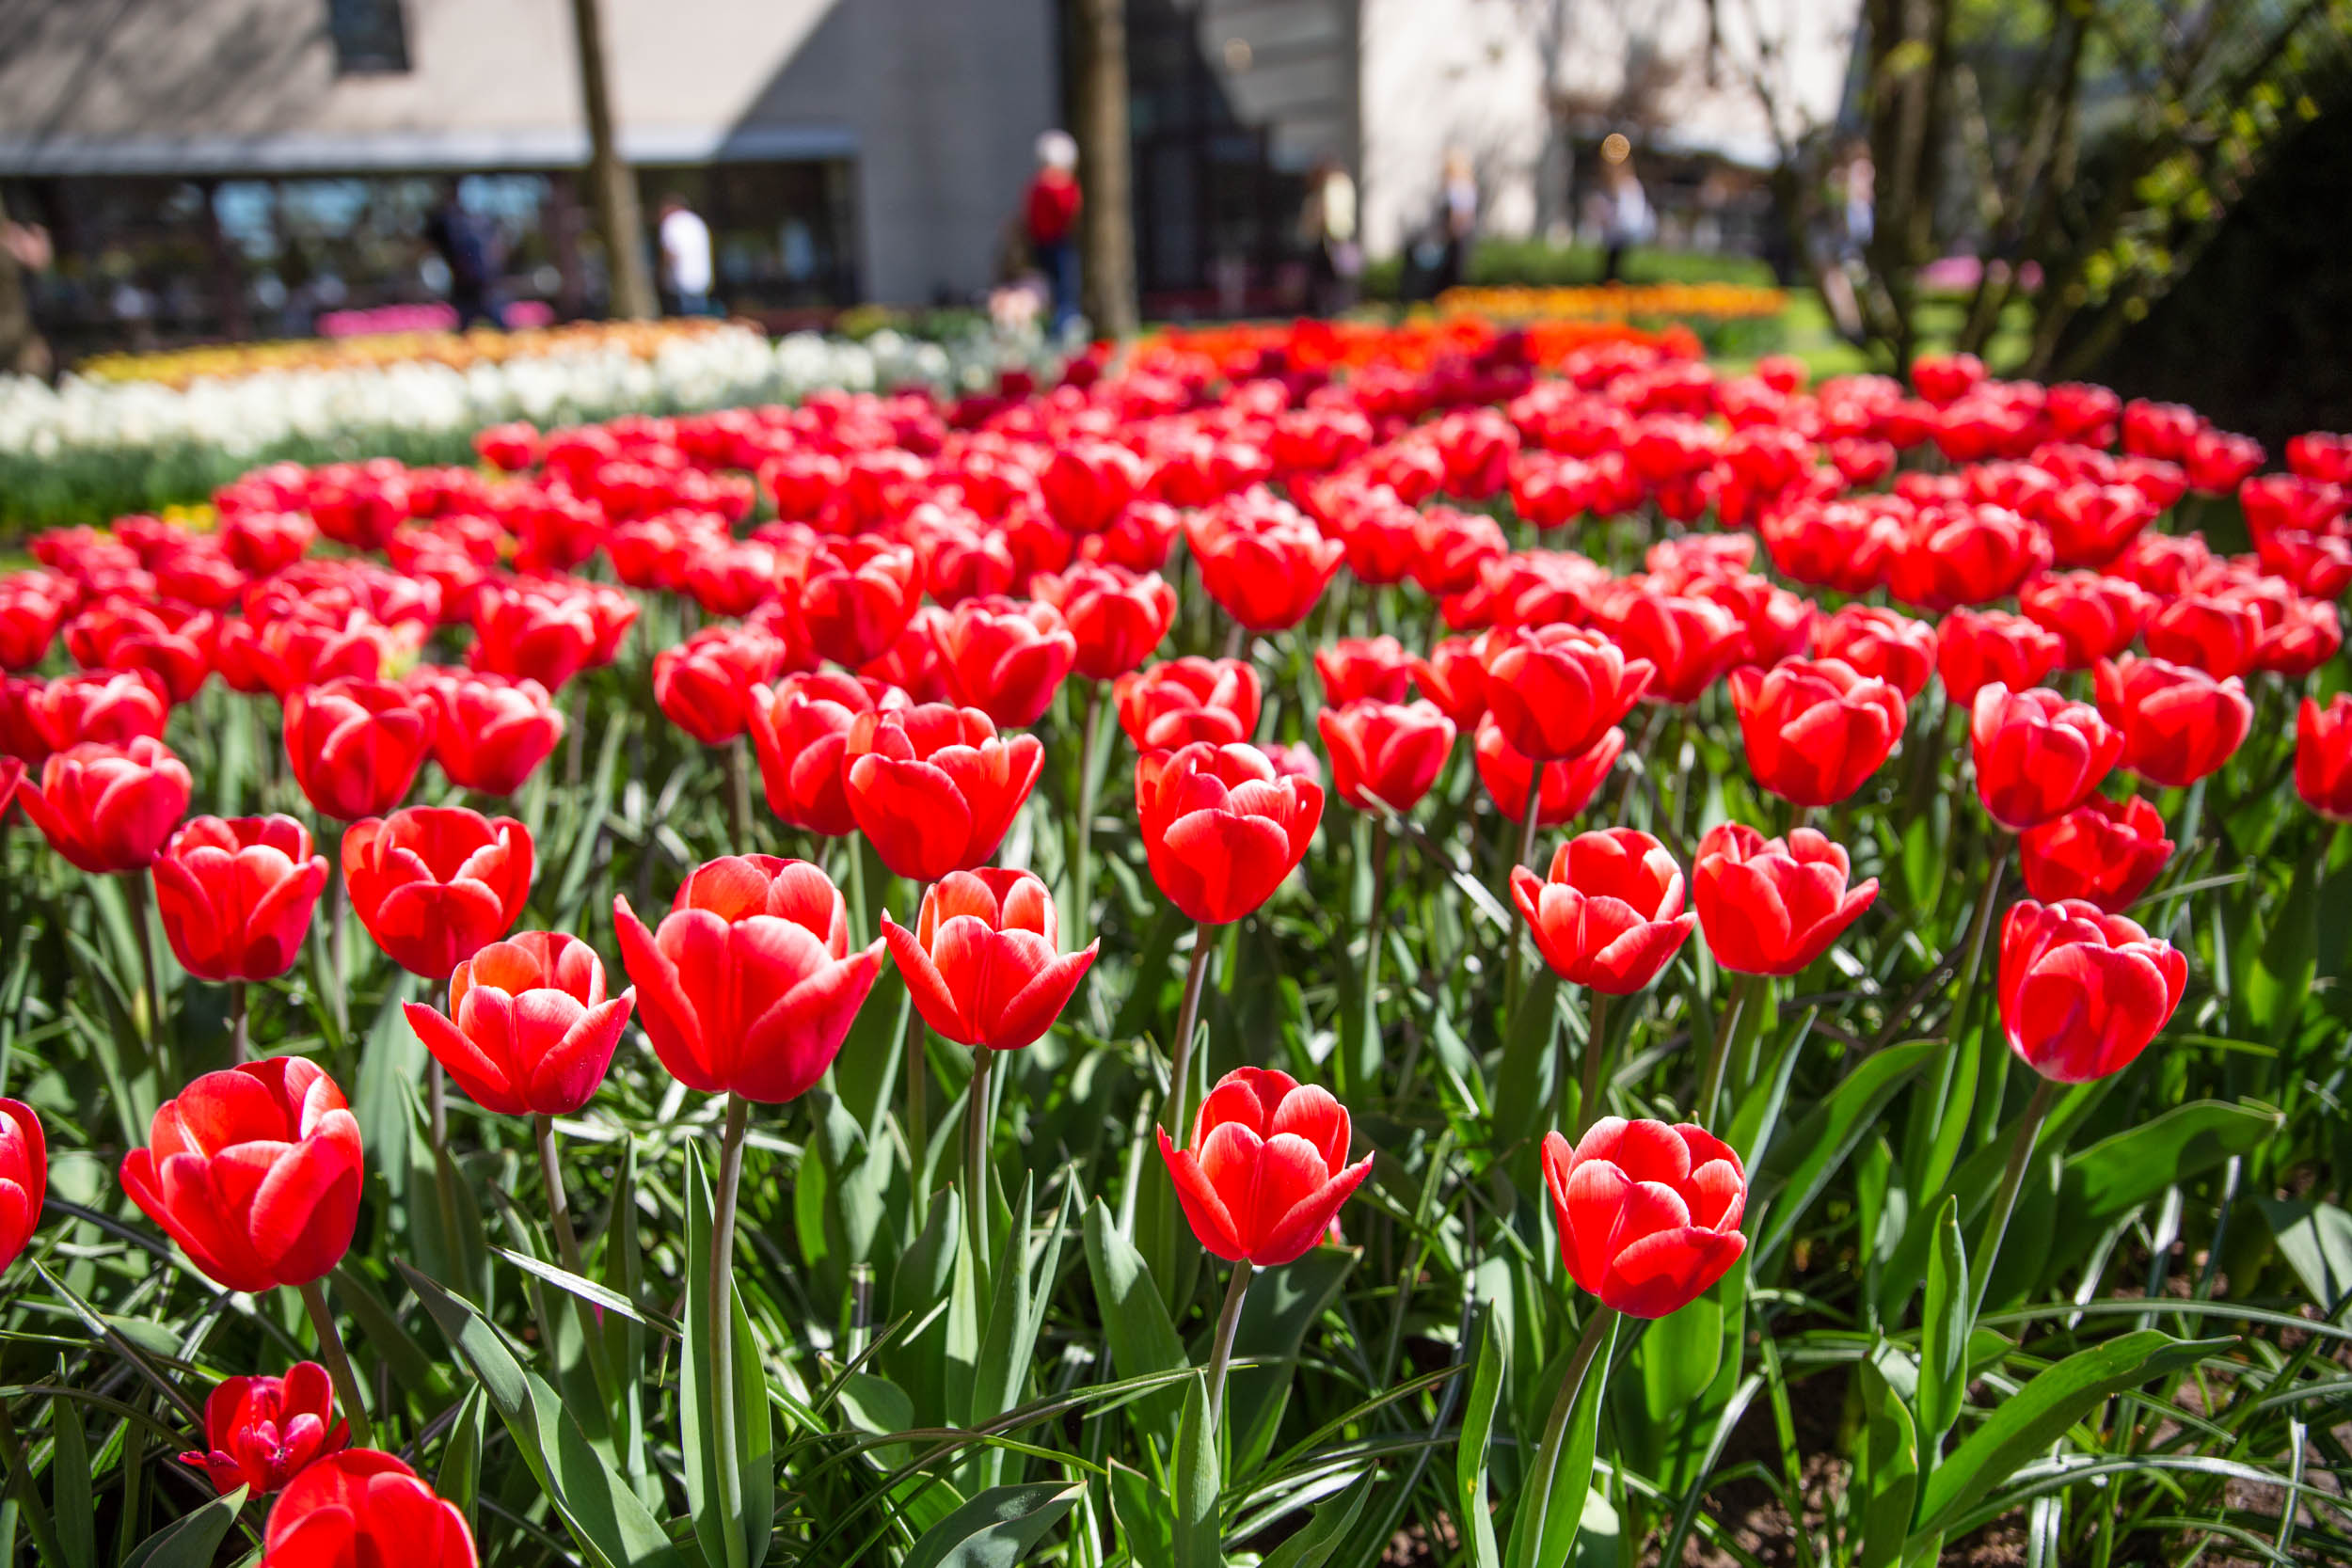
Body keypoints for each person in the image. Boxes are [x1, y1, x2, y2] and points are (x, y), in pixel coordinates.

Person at [1025, 130, 1083, 337]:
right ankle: (1063, 329)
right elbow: (1070, 210)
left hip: (1043, 244)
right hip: (1058, 244)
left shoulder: (1037, 185)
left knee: (1055, 292)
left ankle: (1058, 328)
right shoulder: (1059, 185)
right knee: (1064, 292)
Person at [424, 182, 501, 329]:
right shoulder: (445, 222)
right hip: (463, 288)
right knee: (465, 328)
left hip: (485, 286)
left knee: (501, 329)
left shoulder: (476, 220)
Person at [1298, 160, 1360, 316]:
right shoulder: (1322, 193)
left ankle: (1334, 311)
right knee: (1325, 283)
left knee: (1334, 283)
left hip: (1332, 241)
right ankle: (1328, 312)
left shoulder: (1336, 187)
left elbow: (1335, 218)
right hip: (1324, 242)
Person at [658, 194, 715, 317]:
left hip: (679, 281)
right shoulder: (697, 222)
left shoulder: (672, 222)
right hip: (701, 279)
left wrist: (662, 273)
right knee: (699, 318)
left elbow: (671, 252)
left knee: (683, 321)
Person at [1600, 151, 1653, 284]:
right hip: (1622, 231)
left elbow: (1624, 213)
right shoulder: (1627, 184)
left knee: (1615, 267)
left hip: (1625, 231)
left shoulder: (1627, 185)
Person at [1435, 150, 1478, 293]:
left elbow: (1462, 216)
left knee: (1456, 271)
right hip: (1451, 237)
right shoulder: (1451, 187)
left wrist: (1454, 231)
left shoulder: (1461, 187)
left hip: (1457, 237)